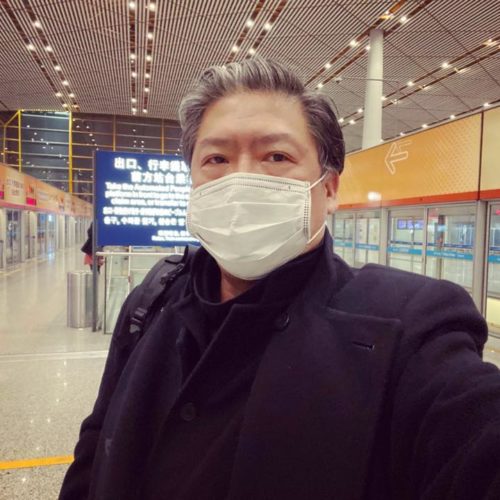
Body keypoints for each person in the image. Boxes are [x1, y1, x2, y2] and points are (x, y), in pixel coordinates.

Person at [60, 58, 500, 500]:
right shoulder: (152, 300)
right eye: (216, 158)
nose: (242, 179)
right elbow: (96, 447)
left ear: (329, 188)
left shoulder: (407, 330)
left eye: (276, 156)